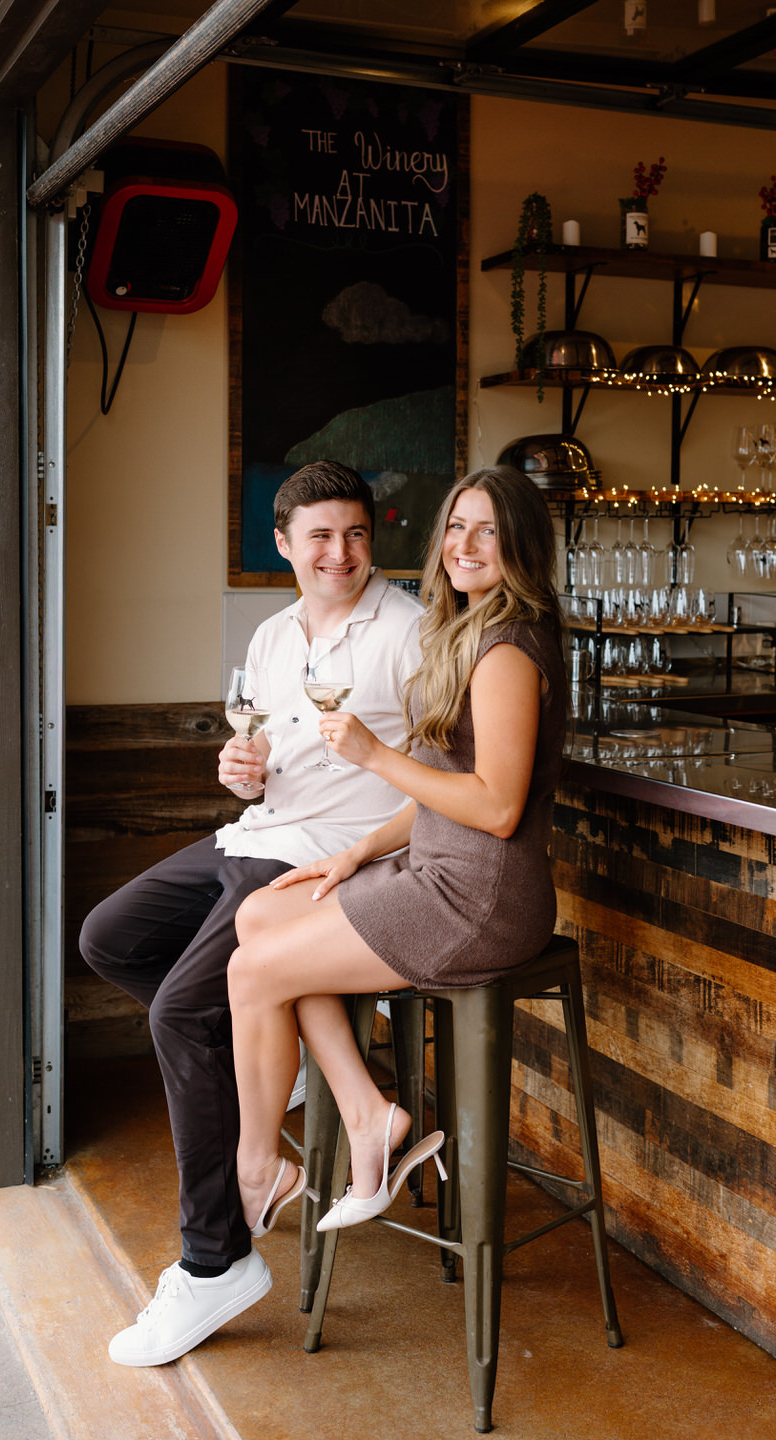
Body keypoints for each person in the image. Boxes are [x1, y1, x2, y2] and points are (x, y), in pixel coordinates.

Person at [79, 460, 423, 1365]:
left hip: (332, 858)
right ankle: (262, 1048)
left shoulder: (413, 631)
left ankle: (215, 1259)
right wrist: (242, 769)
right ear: (284, 544)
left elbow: (443, 784)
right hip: (260, 832)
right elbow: (261, 750)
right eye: (319, 536)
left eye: (354, 533)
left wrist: (362, 844)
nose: (339, 553)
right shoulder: (273, 636)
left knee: (178, 1012)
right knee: (108, 937)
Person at [227, 465, 567, 1240]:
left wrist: (375, 756)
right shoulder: (470, 631)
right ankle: (367, 1113)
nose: (466, 544)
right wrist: (357, 853)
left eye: (488, 529)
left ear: (521, 544)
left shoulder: (509, 647)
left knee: (253, 968)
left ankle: (255, 1171)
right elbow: (444, 787)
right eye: (455, 526)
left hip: (480, 897)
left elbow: (498, 807)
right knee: (264, 914)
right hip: (434, 871)